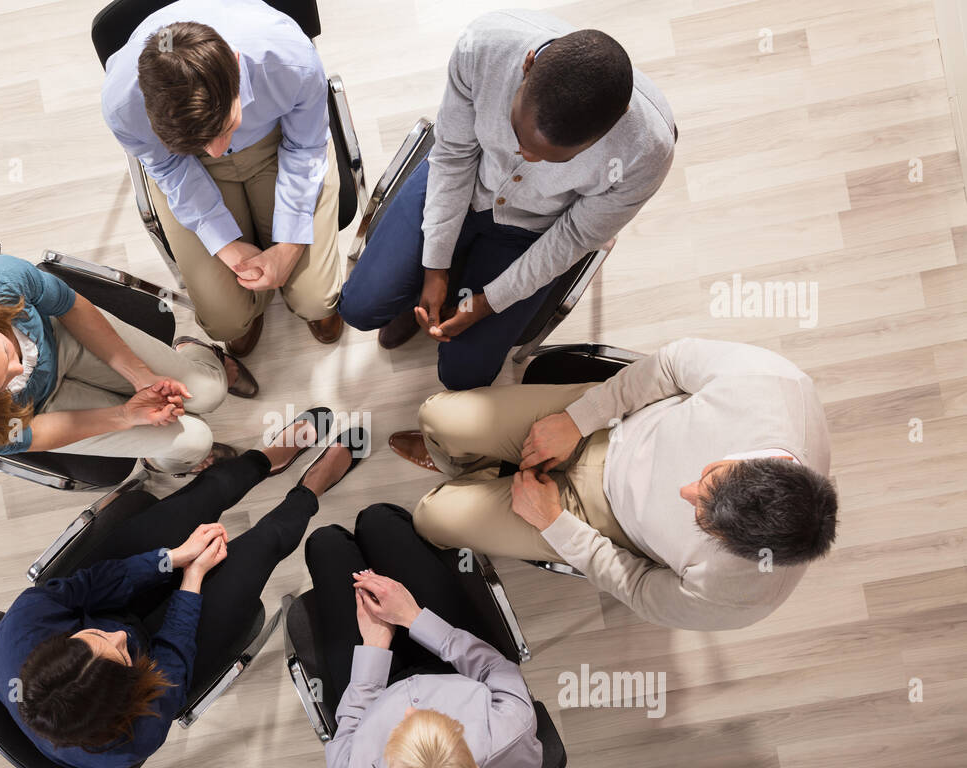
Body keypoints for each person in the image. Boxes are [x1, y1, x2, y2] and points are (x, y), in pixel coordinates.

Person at [0, 410, 369, 768]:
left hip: (103, 597)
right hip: (162, 656)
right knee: (264, 543)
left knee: (206, 493)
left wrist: (171, 559)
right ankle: (312, 487)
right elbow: (171, 659)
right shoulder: (135, 735)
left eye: (97, 637)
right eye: (121, 654)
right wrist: (192, 580)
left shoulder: (24, 622)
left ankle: (267, 460)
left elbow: (91, 584)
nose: (120, 636)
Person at [398, 338, 838, 631]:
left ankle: (476, 468)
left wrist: (555, 524)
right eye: (708, 478)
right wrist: (576, 420)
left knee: (430, 519)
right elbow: (667, 366)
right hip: (607, 427)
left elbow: (640, 590)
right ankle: (471, 464)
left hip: (598, 522)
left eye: (701, 520)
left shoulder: (744, 597)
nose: (685, 493)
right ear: (753, 459)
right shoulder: (771, 385)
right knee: (437, 417)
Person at [340, 10, 675, 392]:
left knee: (464, 376)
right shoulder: (483, 47)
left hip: (533, 229)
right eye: (517, 132)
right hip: (463, 178)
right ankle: (423, 286)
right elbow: (453, 156)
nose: (526, 157)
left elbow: (571, 238)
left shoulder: (645, 152)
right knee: (359, 308)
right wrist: (434, 266)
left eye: (554, 158)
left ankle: (440, 285)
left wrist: (484, 304)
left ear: (610, 131)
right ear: (528, 65)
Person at [101, 0, 344, 357]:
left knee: (316, 298)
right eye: (202, 140)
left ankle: (292, 299)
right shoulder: (122, 106)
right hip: (187, 166)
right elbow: (168, 167)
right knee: (224, 320)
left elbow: (306, 147)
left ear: (235, 63)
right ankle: (248, 311)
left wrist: (290, 246)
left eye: (225, 127)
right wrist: (224, 244)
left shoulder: (290, 58)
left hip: (277, 143)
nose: (215, 150)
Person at [306, 503, 542, 768]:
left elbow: (349, 727)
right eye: (437, 717)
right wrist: (413, 618)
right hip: (454, 666)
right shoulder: (510, 729)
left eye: (400, 726)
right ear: (476, 766)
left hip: (372, 690)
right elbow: (496, 668)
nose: (412, 704)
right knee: (378, 520)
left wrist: (373, 647)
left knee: (325, 544)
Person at [0, 251, 258, 476]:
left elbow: (70, 306)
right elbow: (31, 433)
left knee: (209, 391)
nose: (20, 370)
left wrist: (142, 377)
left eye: (5, 353)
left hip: (63, 336)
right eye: (1, 384)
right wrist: (126, 416)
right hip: (39, 411)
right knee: (193, 442)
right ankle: (161, 458)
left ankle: (192, 351)